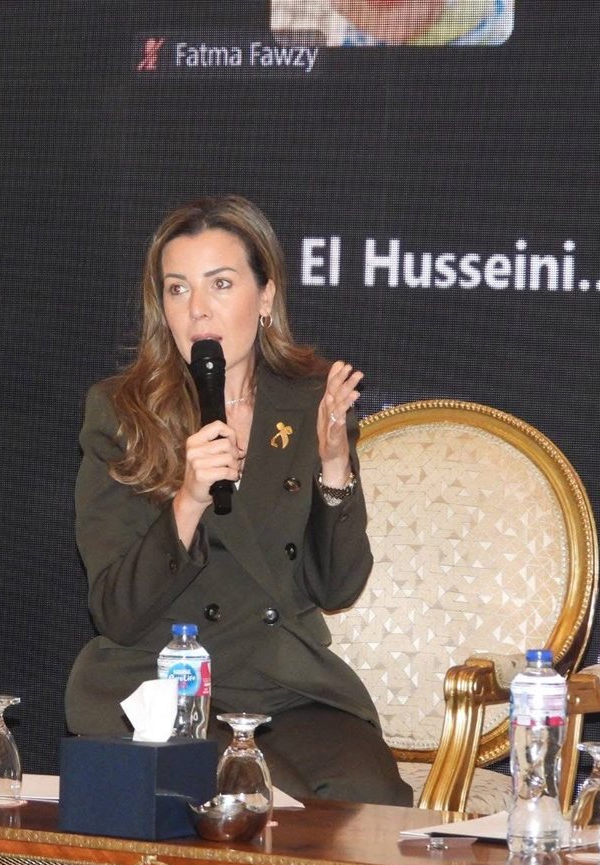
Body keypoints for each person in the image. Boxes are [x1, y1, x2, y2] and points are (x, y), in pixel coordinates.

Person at [64, 196, 412, 806]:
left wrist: (334, 465)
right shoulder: (123, 413)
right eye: (177, 288)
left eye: (220, 284)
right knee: (264, 800)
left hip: (285, 682)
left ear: (266, 296)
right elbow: (115, 611)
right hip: (166, 680)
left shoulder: (309, 401)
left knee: (369, 800)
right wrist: (187, 501)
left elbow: (337, 588)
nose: (197, 308)